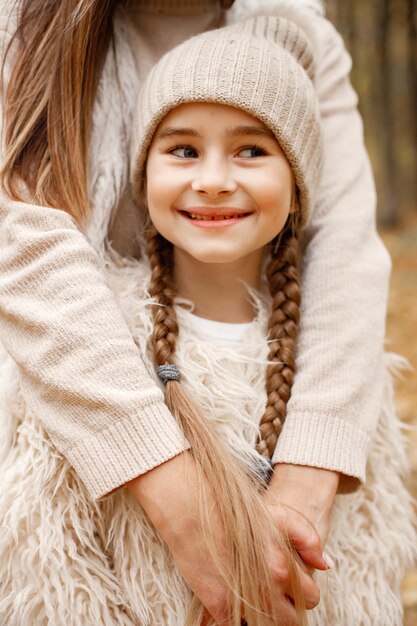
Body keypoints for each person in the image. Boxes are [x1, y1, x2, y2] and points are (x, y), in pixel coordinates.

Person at [0, 0, 412, 624]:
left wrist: (306, 480)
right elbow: (22, 237)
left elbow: (345, 242)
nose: (215, 180)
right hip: (68, 387)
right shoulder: (22, 25)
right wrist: (181, 500)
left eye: (250, 151)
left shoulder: (299, 27)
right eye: (184, 152)